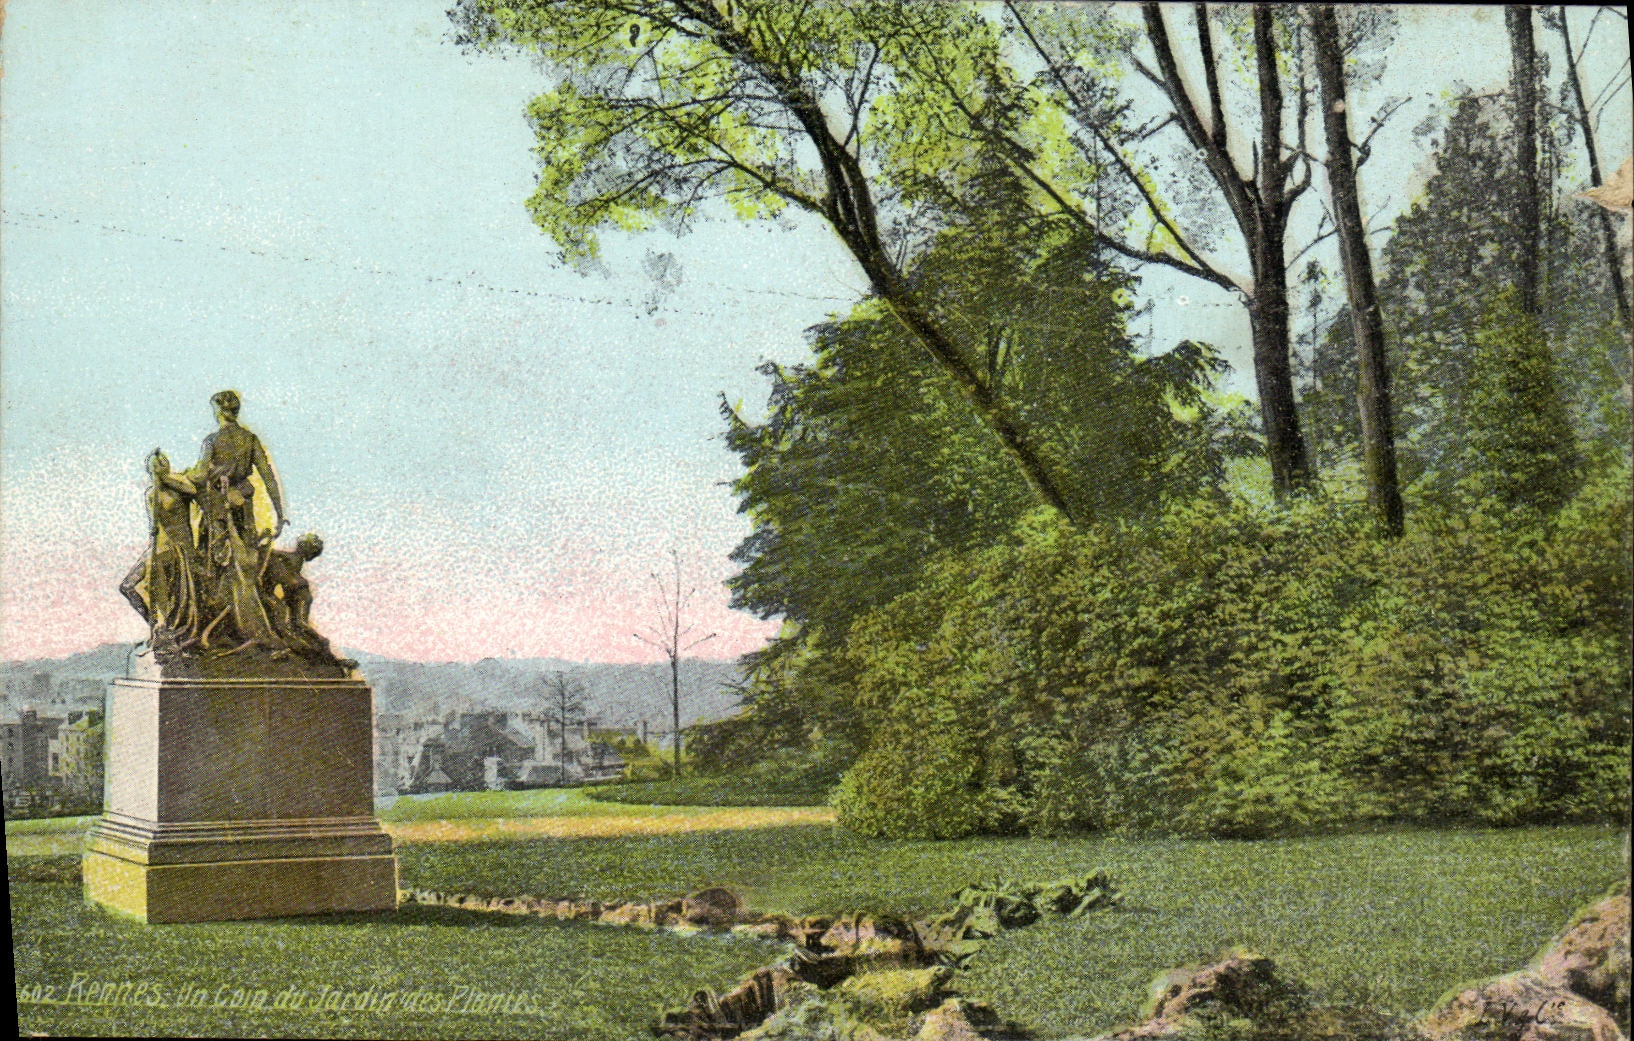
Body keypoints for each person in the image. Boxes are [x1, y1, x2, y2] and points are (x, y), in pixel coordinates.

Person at [119, 450, 201, 648]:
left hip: (179, 548)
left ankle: (164, 627)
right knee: (127, 586)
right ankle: (158, 627)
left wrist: (164, 478)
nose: (156, 471)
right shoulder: (150, 494)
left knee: (164, 588)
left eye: (160, 466)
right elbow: (153, 528)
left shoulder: (179, 488)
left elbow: (192, 491)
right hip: (157, 548)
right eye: (154, 468)